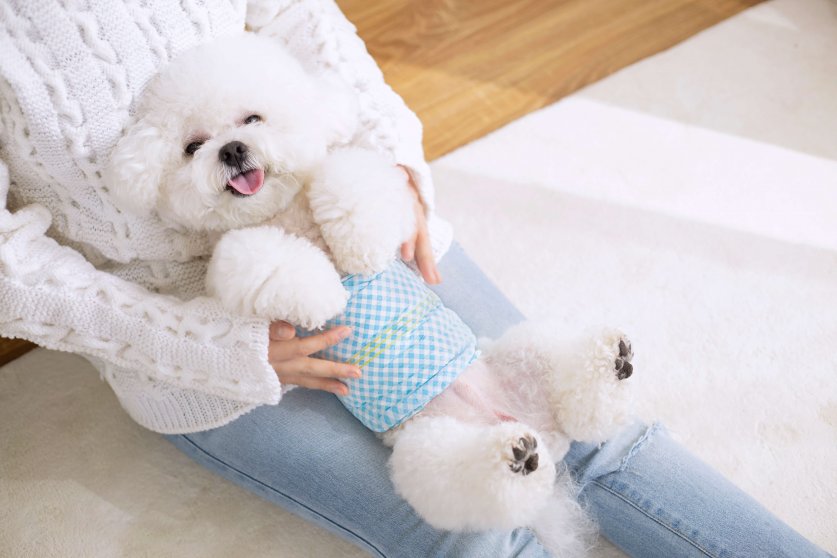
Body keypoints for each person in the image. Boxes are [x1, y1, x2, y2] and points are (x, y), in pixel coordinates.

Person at [0, 1, 831, 557]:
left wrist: (391, 164)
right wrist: (211, 343)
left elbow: (299, 19)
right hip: (184, 327)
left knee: (586, 431)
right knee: (470, 528)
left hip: (342, 206)